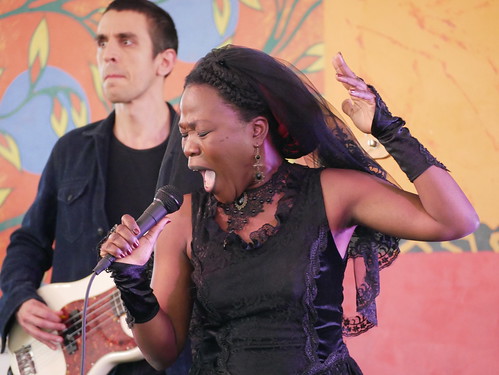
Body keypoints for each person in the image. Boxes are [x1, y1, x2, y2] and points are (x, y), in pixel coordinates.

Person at [98, 45, 479, 374]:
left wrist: (389, 129)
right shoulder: (183, 220)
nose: (189, 147)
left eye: (202, 131)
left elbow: (455, 220)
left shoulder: (332, 193)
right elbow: (163, 354)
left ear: (257, 130)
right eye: (184, 133)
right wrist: (132, 282)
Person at [0, 1, 201, 374]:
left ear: (165, 61)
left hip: (170, 360)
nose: (108, 54)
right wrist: (20, 299)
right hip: (75, 355)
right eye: (102, 42)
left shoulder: (198, 156)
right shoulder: (71, 151)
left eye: (126, 41)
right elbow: (30, 242)